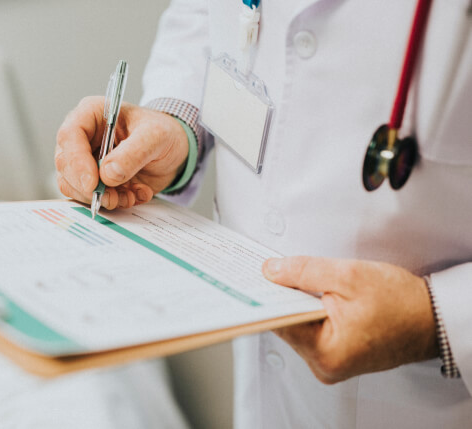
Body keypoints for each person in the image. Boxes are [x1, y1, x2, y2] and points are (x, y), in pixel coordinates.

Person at [55, 0, 472, 427]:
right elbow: (205, 13)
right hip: (260, 357)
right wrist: (177, 121)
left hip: (434, 396)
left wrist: (437, 317)